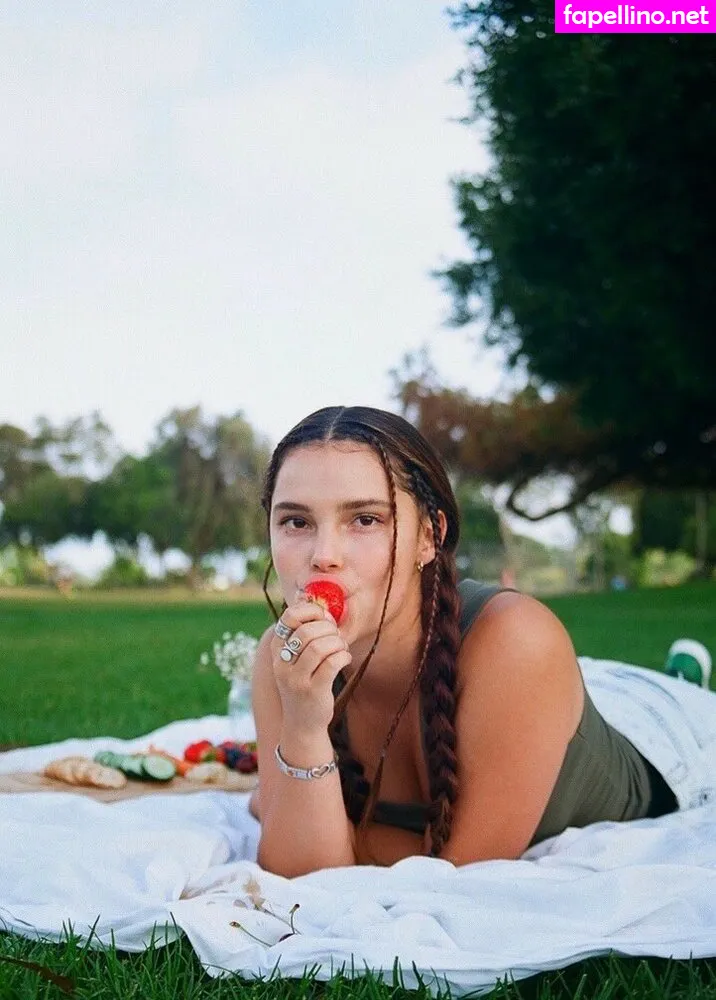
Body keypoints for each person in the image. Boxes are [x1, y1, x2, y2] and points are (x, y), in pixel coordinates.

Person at [249, 405, 678, 877]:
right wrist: (304, 727)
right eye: (297, 522)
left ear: (429, 536)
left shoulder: (518, 642)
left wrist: (330, 828)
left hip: (662, 746)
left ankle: (681, 675)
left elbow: (456, 879)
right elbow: (302, 878)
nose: (324, 555)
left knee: (660, 696)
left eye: (366, 520)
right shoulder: (281, 659)